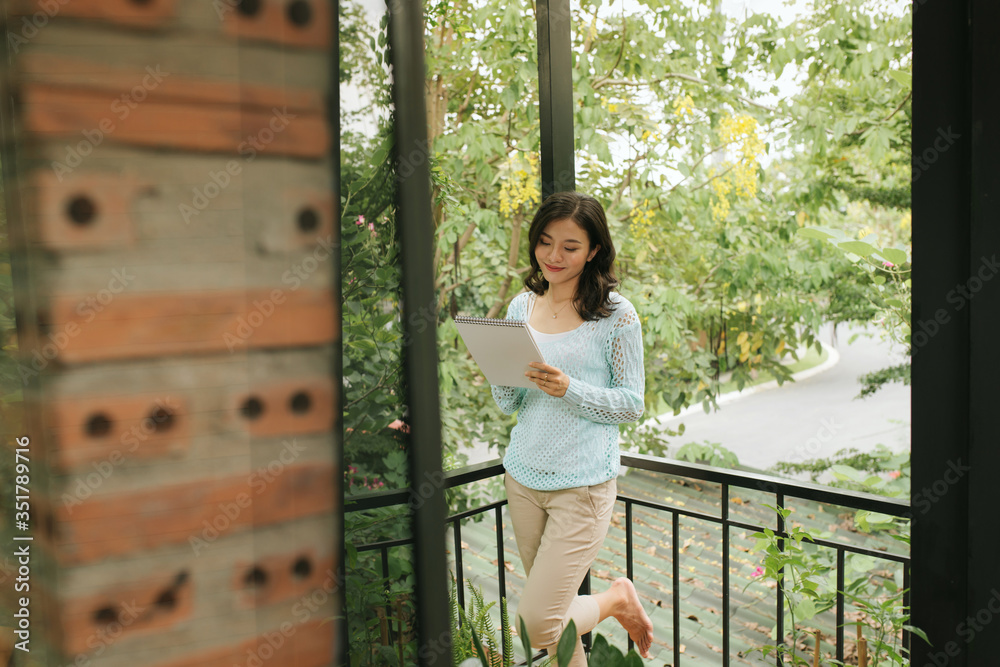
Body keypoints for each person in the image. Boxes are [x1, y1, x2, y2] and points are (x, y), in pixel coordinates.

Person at [490, 191, 654, 665]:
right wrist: (499, 367)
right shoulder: (522, 307)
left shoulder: (616, 315)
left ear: (594, 250)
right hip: (522, 477)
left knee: (537, 621)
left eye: (570, 246)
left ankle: (616, 600)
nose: (553, 256)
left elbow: (630, 404)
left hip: (581, 488)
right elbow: (510, 403)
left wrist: (571, 389)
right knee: (551, 632)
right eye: (544, 242)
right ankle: (612, 604)